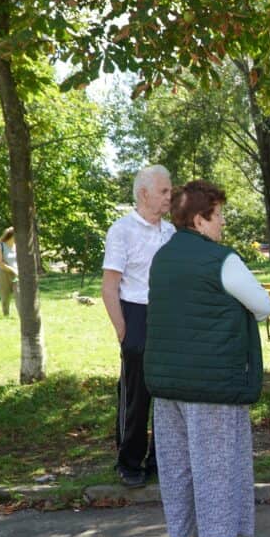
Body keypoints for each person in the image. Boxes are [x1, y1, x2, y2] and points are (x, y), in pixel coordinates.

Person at [145, 180, 270, 537]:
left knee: (176, 464)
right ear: (200, 220)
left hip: (166, 381)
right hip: (212, 382)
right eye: (218, 216)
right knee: (216, 462)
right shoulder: (221, 259)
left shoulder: (161, 258)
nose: (222, 223)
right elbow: (263, 305)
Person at [102, 165, 174, 488]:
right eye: (164, 192)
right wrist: (123, 330)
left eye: (170, 191)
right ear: (144, 194)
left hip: (166, 315)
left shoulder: (170, 232)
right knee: (136, 395)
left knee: (168, 394)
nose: (170, 197)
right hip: (135, 313)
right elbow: (109, 286)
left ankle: (161, 458)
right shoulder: (122, 230)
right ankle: (129, 461)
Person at [0, 227, 18, 318]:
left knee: (19, 294)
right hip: (3, 273)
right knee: (5, 297)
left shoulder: (17, 246)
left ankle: (22, 315)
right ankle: (6, 315)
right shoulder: (0, 246)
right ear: (11, 235)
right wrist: (12, 270)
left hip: (16, 274)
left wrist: (17, 271)